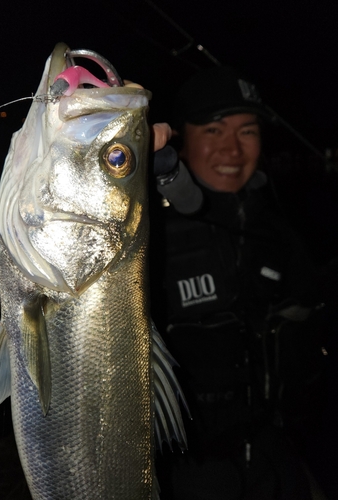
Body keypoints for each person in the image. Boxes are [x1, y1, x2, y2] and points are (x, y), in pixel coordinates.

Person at [150, 67, 329, 499]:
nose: (232, 148)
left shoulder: (281, 226)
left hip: (277, 453)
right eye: (213, 129)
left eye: (247, 130)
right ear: (179, 138)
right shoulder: (144, 232)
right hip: (184, 473)